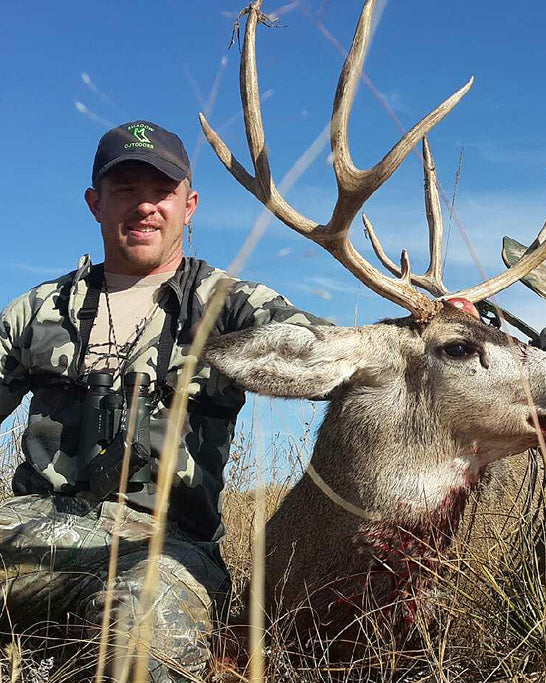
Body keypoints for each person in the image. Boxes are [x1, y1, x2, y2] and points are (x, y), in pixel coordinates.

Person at [0, 120, 325, 681]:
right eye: (125, 188)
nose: (145, 206)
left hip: (163, 552)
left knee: (143, 634)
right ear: (94, 203)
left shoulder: (232, 306)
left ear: (189, 204)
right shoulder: (40, 308)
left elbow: (331, 355)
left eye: (162, 192)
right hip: (28, 529)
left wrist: (436, 332)